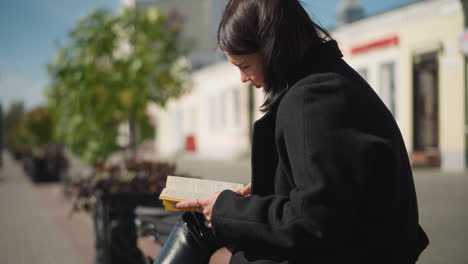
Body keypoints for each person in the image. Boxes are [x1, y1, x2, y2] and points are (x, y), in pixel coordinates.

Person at [153, 0, 429, 263]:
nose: (243, 78)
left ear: (272, 49)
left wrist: (226, 209)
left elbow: (315, 220)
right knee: (202, 225)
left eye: (245, 66)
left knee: (206, 240)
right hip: (357, 248)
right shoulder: (327, 82)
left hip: (352, 254)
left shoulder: (314, 98)